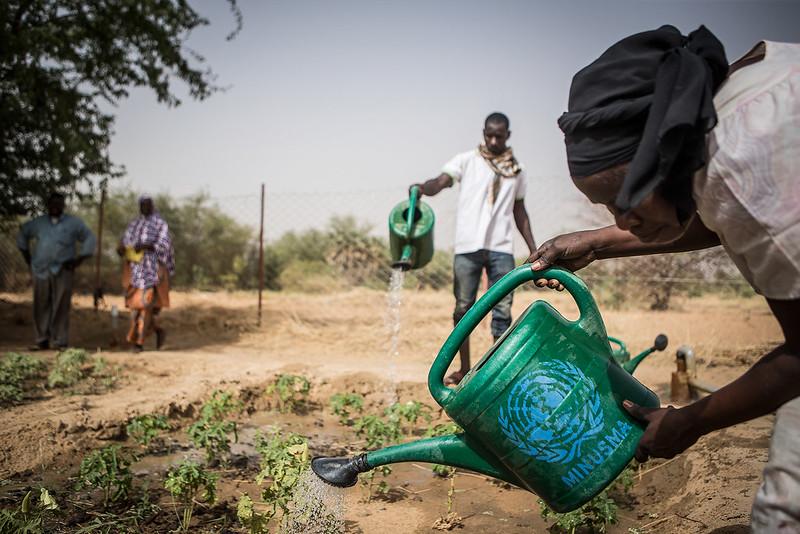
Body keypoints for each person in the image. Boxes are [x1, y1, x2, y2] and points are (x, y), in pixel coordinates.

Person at [528, 25, 800, 530]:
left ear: (662, 156)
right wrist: (598, 240)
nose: (621, 218)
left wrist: (690, 421)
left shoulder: (744, 160)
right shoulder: (716, 116)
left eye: (622, 199)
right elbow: (714, 217)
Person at [412, 112, 537, 385]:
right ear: (483, 132)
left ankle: (496, 370)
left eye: (499, 136)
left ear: (508, 136)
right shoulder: (466, 161)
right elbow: (441, 182)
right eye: (489, 135)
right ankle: (464, 368)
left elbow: (519, 210)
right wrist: (424, 188)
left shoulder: (517, 170)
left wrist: (533, 249)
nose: (493, 140)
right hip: (468, 246)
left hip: (501, 248)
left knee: (502, 310)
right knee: (463, 309)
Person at [16, 192, 96, 350]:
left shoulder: (73, 223)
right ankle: (41, 339)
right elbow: (22, 235)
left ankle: (59, 341)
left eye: (58, 204)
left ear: (63, 206)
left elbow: (89, 237)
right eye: (52, 204)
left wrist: (78, 260)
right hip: (41, 269)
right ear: (48, 205)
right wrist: (28, 258)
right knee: (40, 303)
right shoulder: (38, 223)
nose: (55, 207)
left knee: (61, 304)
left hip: (63, 269)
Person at [117, 195, 175, 352]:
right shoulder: (134, 224)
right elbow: (124, 242)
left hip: (152, 271)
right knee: (135, 309)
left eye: (147, 204)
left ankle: (139, 342)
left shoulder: (160, 224)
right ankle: (157, 331)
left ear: (152, 205)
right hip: (135, 272)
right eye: (142, 204)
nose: (144, 207)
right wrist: (122, 248)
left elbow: (165, 246)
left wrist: (149, 246)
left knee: (146, 306)